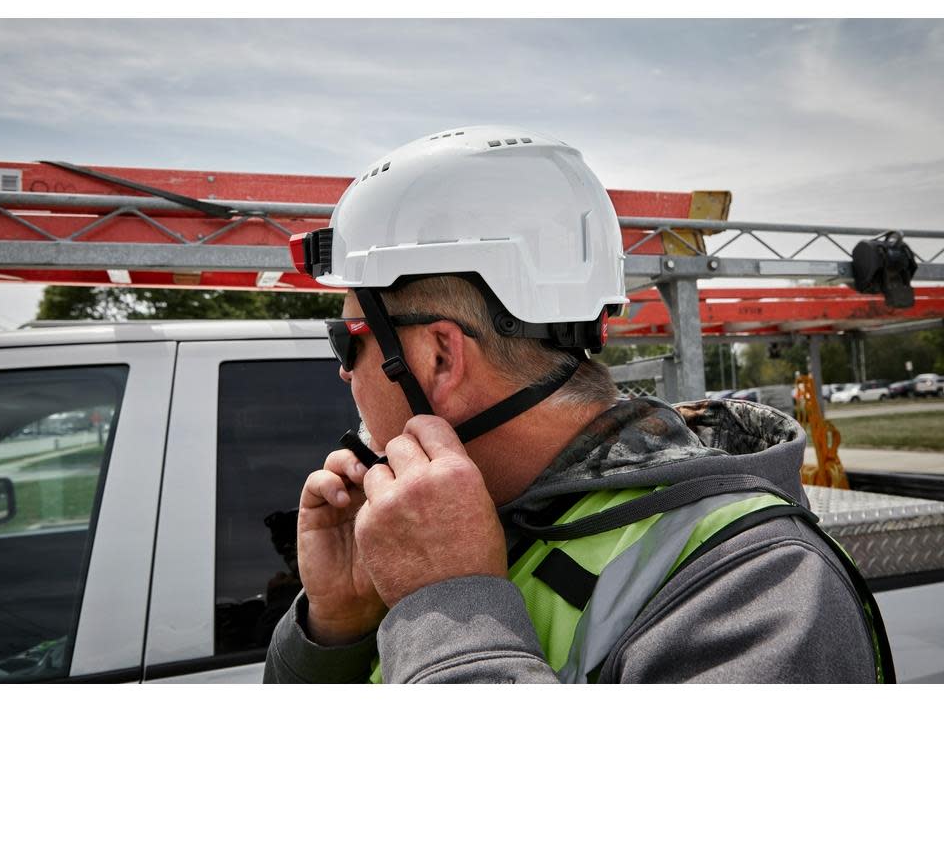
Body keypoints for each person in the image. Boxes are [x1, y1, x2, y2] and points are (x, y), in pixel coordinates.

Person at [264, 125, 892, 684]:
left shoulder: (760, 588)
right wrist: (338, 631)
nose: (345, 375)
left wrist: (451, 606)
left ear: (439, 358)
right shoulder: (469, 522)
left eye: (347, 342)